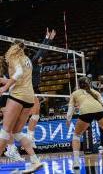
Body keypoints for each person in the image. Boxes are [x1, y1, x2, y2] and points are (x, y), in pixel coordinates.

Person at [4, 28, 56, 161]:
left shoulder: (25, 60)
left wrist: (48, 39)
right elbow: (41, 51)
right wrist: (48, 39)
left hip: (27, 91)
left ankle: (23, 143)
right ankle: (18, 147)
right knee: (12, 128)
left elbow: (41, 52)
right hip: (24, 91)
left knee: (12, 127)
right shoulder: (27, 60)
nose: (41, 60)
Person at [0, 42, 43, 173]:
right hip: (29, 98)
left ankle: (11, 151)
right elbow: (20, 79)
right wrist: (5, 82)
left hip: (18, 96)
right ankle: (35, 161)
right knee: (17, 132)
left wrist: (4, 88)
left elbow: (18, 74)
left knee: (5, 130)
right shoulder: (27, 60)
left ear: (12, 49)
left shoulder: (14, 58)